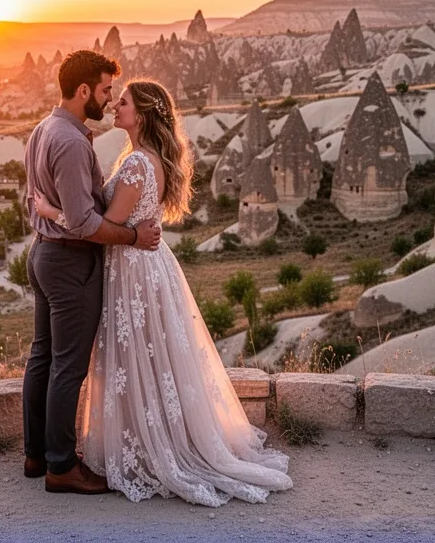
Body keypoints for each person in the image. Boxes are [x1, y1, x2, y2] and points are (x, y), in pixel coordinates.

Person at [34, 79, 293, 506]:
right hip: (144, 267)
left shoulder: (137, 163)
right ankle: (149, 435)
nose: (115, 106)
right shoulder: (141, 157)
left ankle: (149, 445)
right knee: (150, 357)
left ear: (144, 114)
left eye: (124, 102)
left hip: (132, 266)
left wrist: (52, 212)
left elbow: (104, 231)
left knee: (138, 353)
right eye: (115, 98)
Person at [22, 50, 163, 495]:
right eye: (105, 90)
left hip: (43, 253)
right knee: (68, 366)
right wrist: (133, 238)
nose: (107, 99)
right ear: (83, 91)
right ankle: (61, 466)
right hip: (68, 261)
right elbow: (84, 222)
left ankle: (37, 454)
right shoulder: (70, 141)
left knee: (42, 357)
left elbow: (37, 200)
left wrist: (48, 213)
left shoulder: (44, 129)